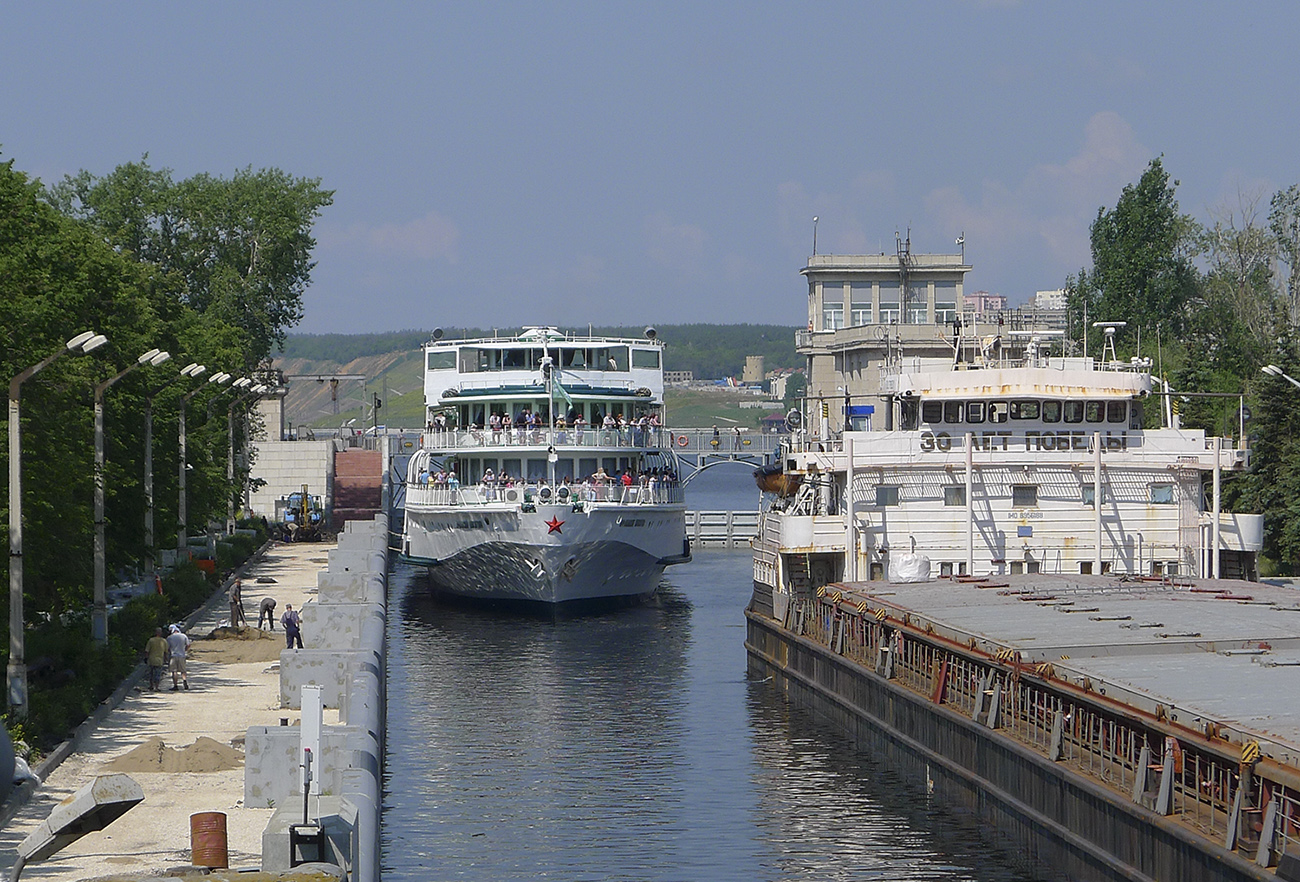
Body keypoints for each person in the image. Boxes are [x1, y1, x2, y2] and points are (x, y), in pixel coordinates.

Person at [166, 624, 191, 691]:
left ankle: (175, 685)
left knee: (174, 671)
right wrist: (184, 650)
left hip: (173, 655)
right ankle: (184, 681)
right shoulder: (184, 636)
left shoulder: (169, 638)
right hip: (182, 655)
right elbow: (188, 645)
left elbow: (167, 648)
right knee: (183, 670)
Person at [145, 627, 169, 692]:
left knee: (151, 674)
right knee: (157, 674)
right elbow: (165, 652)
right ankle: (157, 687)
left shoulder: (151, 640)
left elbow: (147, 650)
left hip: (151, 660)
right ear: (161, 633)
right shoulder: (164, 641)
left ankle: (151, 686)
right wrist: (166, 659)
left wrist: (146, 658)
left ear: (155, 632)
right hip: (159, 660)